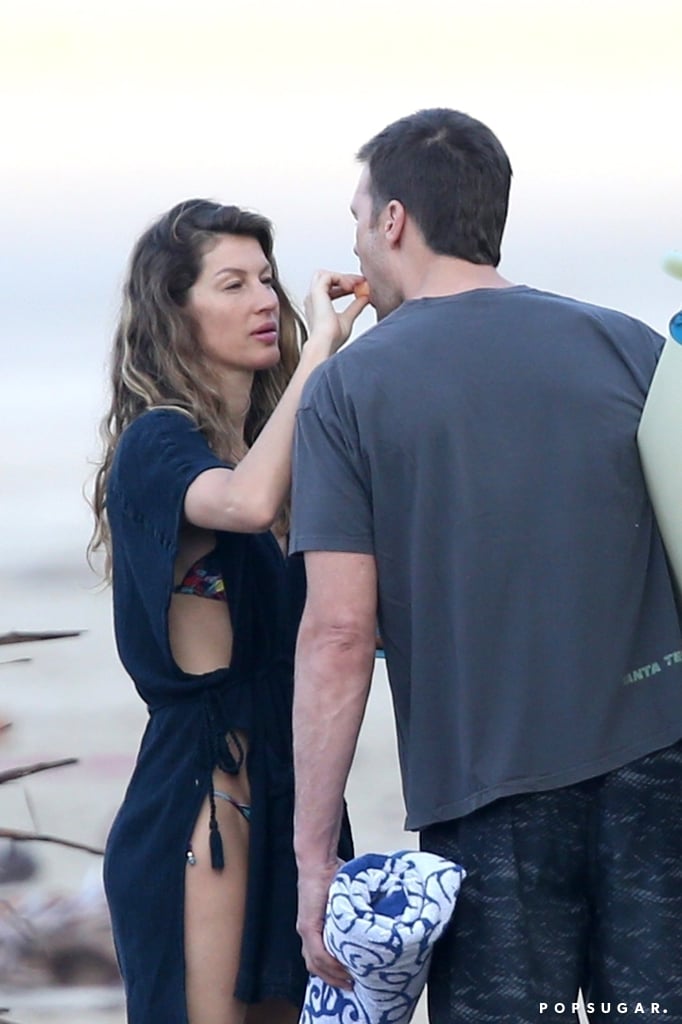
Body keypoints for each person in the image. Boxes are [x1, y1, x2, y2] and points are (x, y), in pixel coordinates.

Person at [289, 109, 682, 1022]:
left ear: (393, 222)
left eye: (357, 216)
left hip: (490, 800)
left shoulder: (348, 390)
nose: (354, 238)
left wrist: (316, 859)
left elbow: (340, 633)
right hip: (661, 773)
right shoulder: (630, 346)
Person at [88, 198, 366, 1024]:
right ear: (176, 312)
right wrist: (320, 352)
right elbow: (241, 506)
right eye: (233, 283)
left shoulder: (274, 458)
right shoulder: (159, 442)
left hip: (292, 782)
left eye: (269, 282)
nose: (262, 302)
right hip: (206, 791)